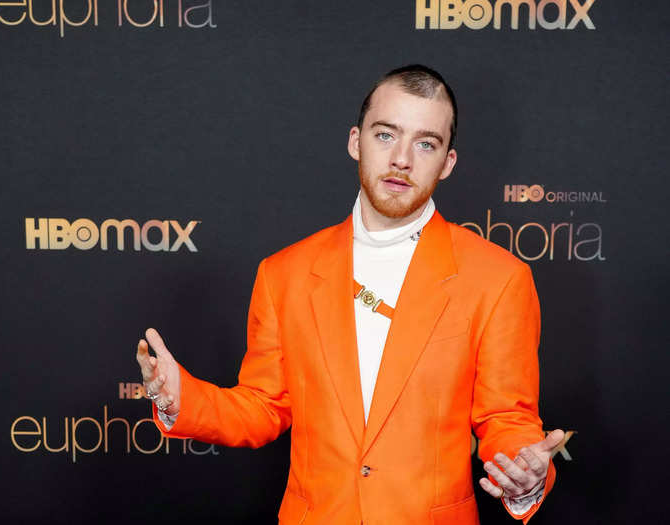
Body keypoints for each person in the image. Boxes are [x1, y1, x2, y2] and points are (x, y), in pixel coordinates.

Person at [136, 64, 563, 524]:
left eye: (425, 143)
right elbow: (263, 407)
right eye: (386, 135)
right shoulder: (285, 274)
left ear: (447, 162)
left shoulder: (498, 278)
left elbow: (507, 419)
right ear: (356, 141)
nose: (402, 158)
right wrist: (182, 399)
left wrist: (524, 474)